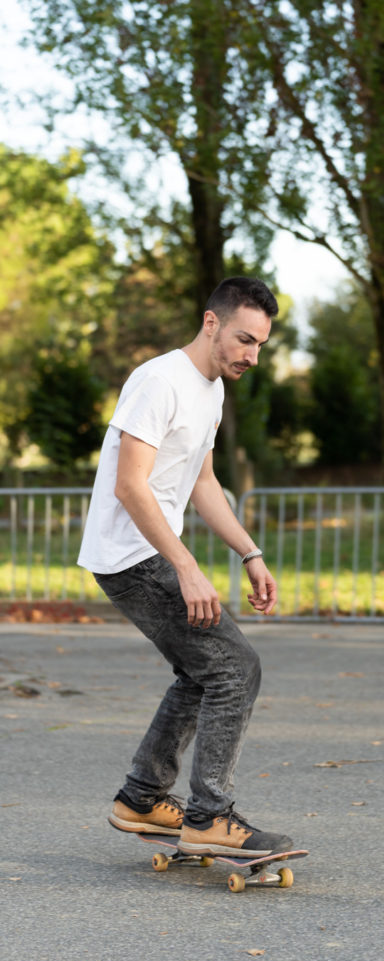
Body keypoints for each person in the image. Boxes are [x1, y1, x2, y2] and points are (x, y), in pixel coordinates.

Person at [78, 276, 294, 859]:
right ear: (210, 323)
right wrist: (188, 566)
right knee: (234, 668)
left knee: (204, 673)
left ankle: (142, 798)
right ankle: (209, 816)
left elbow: (202, 482)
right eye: (244, 340)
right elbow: (130, 485)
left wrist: (250, 553)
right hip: (133, 554)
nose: (251, 355)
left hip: (147, 552)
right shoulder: (157, 381)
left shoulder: (212, 390)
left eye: (260, 346)